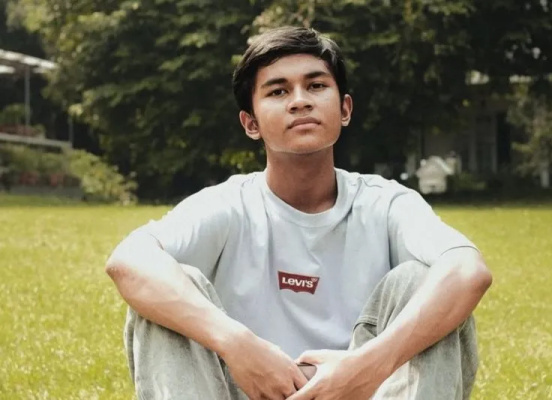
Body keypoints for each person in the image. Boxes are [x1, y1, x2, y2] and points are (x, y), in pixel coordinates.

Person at [105, 26, 492, 400]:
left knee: (423, 281)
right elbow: (129, 261)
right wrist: (237, 343)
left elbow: (467, 270)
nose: (300, 101)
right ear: (251, 124)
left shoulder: (387, 204)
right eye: (278, 91)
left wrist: (366, 367)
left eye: (316, 86)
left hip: (366, 391)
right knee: (168, 290)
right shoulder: (227, 205)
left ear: (344, 109)